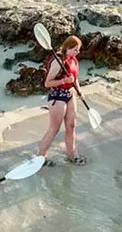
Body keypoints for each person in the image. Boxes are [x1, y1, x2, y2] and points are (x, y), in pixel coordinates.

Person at [36, 36, 85, 165]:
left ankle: (72, 155)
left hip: (70, 94)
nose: (77, 52)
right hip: (57, 97)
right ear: (67, 48)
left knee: (71, 126)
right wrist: (63, 81)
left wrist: (79, 91)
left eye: (78, 50)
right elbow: (47, 83)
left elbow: (74, 78)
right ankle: (40, 157)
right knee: (54, 129)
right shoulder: (58, 62)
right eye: (75, 50)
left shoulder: (73, 59)